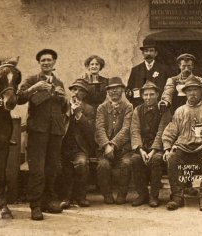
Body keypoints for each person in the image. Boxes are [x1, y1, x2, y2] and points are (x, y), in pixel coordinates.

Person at [162, 76, 202, 212]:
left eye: (195, 90)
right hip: (183, 148)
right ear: (185, 93)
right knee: (172, 157)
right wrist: (167, 149)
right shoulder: (180, 111)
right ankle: (177, 196)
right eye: (189, 90)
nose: (192, 93)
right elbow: (170, 131)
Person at [17, 49, 67, 220]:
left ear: (54, 63)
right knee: (37, 169)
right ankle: (35, 205)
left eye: (49, 60)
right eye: (43, 60)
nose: (46, 63)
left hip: (55, 131)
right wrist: (34, 88)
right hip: (38, 131)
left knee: (52, 167)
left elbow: (63, 108)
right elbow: (19, 98)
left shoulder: (59, 82)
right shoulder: (32, 80)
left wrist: (64, 98)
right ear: (39, 63)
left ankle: (48, 201)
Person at [159, 53, 202, 196]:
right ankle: (177, 187)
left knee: (189, 148)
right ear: (179, 66)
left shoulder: (198, 80)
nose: (186, 68)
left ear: (193, 66)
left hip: (192, 116)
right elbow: (167, 92)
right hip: (176, 117)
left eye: (189, 66)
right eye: (183, 66)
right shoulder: (172, 80)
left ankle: (188, 184)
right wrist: (165, 101)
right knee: (176, 151)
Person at [130, 81, 171, 207]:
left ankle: (154, 195)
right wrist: (141, 150)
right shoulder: (137, 110)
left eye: (152, 94)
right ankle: (142, 194)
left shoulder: (164, 110)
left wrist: (153, 150)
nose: (148, 98)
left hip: (158, 147)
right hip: (143, 147)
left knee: (156, 160)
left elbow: (162, 131)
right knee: (135, 159)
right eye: (146, 95)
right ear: (142, 96)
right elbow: (135, 130)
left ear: (157, 94)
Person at [95, 77, 133, 205]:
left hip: (122, 148)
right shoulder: (102, 108)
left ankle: (122, 194)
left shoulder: (128, 107)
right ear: (107, 92)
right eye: (111, 89)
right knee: (103, 165)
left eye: (117, 88)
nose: (114, 91)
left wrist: (113, 144)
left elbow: (126, 128)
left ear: (122, 90)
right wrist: (106, 145)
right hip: (104, 149)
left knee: (127, 163)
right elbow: (99, 128)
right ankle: (107, 194)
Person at [60, 79, 96, 209]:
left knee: (81, 164)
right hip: (62, 146)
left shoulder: (89, 109)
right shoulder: (63, 106)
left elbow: (91, 131)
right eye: (74, 89)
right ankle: (66, 197)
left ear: (85, 94)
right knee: (63, 166)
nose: (76, 92)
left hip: (79, 148)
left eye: (80, 90)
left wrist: (79, 114)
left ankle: (80, 196)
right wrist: (69, 112)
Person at [125, 39, 170, 107]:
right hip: (140, 107)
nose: (148, 53)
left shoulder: (164, 70)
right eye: (146, 51)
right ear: (143, 53)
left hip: (158, 106)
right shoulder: (136, 70)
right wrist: (136, 102)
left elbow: (169, 88)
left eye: (151, 51)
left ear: (156, 53)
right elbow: (129, 90)